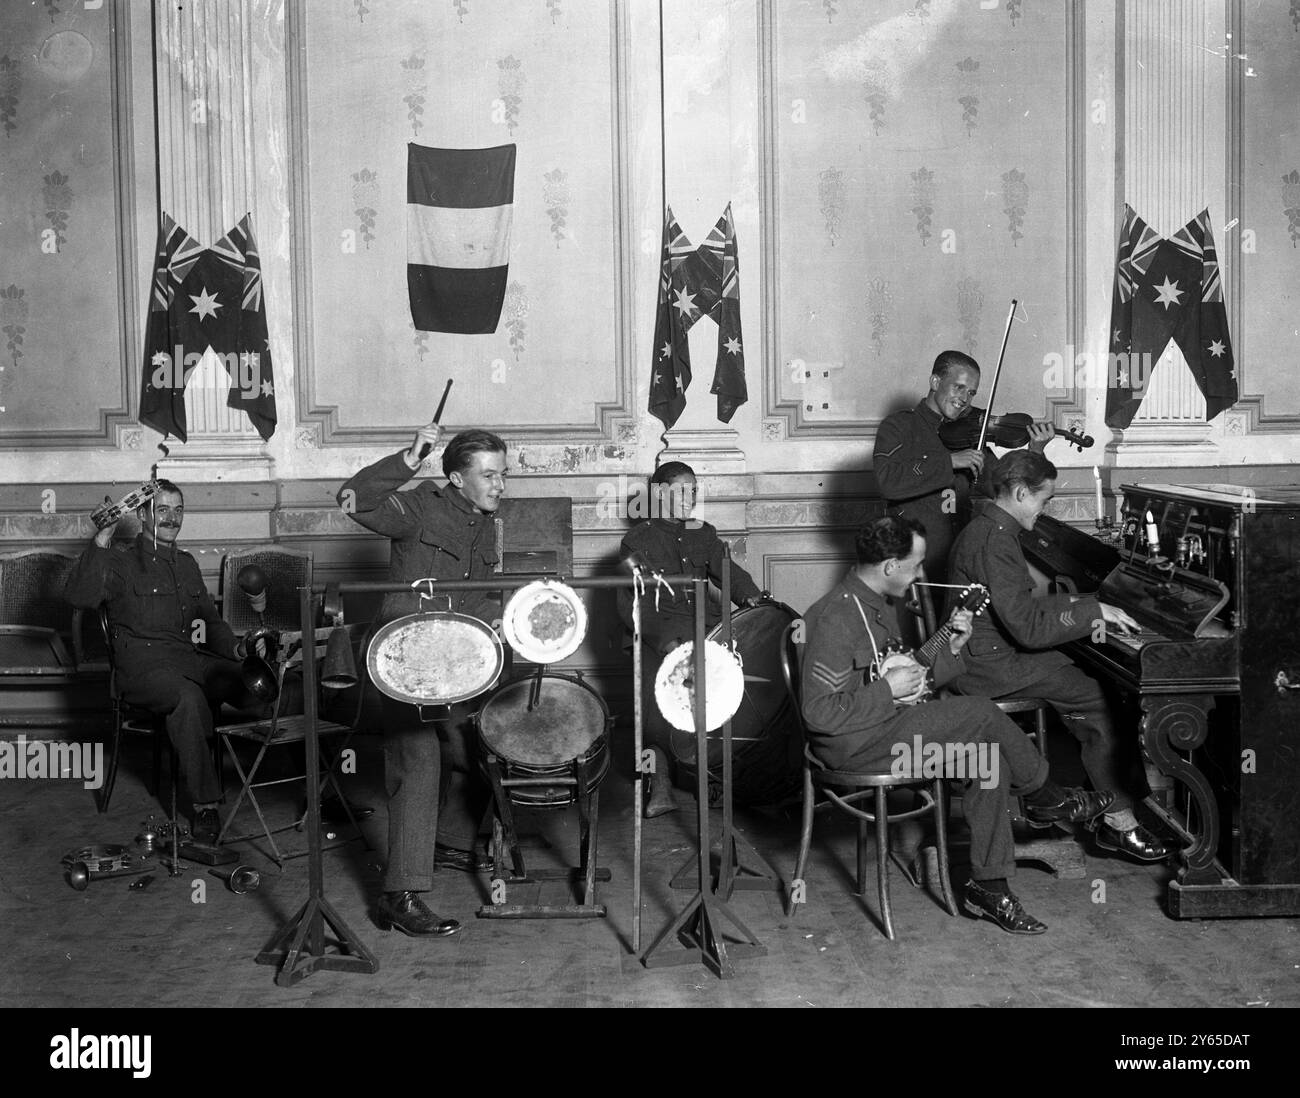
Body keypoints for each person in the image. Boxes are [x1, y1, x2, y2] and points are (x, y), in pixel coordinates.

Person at [800, 515, 1115, 934]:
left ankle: (989, 886)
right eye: (915, 565)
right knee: (981, 712)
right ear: (890, 566)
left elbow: (911, 680)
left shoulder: (876, 604)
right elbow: (819, 713)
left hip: (886, 733)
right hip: (855, 745)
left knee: (987, 762)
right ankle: (1047, 795)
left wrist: (953, 649)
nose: (920, 574)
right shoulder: (835, 617)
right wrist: (888, 691)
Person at [946, 450, 1170, 863]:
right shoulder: (997, 541)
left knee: (1090, 677)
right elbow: (1027, 629)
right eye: (1042, 500)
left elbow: (1017, 609)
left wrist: (1081, 606)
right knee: (1098, 696)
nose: (1044, 509)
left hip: (984, 653)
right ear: (1018, 492)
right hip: (986, 667)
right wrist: (1091, 611)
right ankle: (1119, 825)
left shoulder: (985, 529)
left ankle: (1109, 811)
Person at [339, 425, 508, 938]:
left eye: (503, 474)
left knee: (475, 741)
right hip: (405, 661)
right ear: (457, 478)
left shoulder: (483, 524)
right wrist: (408, 458)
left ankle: (446, 843)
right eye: (490, 475)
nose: (500, 485)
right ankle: (398, 895)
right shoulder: (418, 506)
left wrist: (500, 621)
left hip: (454, 661)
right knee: (419, 762)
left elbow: (474, 594)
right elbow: (353, 499)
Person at [64, 481, 257, 842]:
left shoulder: (186, 564)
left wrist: (236, 651)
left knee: (261, 682)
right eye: (162, 510)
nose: (172, 518)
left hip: (188, 659)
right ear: (142, 515)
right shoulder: (119, 560)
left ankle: (318, 792)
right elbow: (80, 596)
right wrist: (103, 536)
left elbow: (210, 624)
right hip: (142, 669)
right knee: (188, 698)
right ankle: (205, 807)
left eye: (178, 509)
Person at [616, 462, 765, 817]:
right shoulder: (635, 542)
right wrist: (664, 642)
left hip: (704, 630)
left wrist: (752, 598)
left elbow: (727, 570)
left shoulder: (703, 532)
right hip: (657, 635)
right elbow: (631, 603)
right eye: (682, 491)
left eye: (694, 490)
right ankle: (660, 783)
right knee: (657, 707)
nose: (690, 498)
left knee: (724, 694)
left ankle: (714, 778)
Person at [872, 350, 1054, 584]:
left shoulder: (970, 437)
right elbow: (887, 482)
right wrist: (949, 461)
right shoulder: (899, 426)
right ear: (935, 382)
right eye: (958, 387)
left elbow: (1007, 493)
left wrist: (1035, 452)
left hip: (960, 565)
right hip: (910, 566)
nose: (964, 399)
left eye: (971, 393)